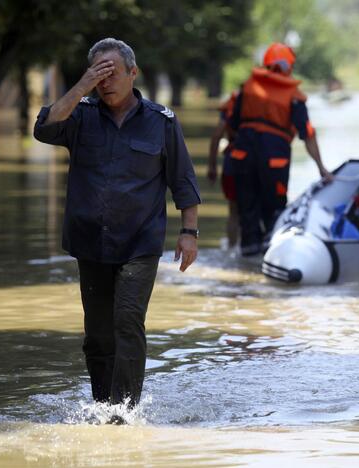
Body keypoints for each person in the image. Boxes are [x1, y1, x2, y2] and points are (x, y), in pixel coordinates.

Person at [33, 38, 201, 411]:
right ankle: (102, 405)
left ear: (132, 73)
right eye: (99, 74)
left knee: (127, 323)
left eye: (112, 72)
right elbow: (44, 128)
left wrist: (189, 233)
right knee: (97, 336)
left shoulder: (161, 122)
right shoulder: (80, 115)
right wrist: (81, 86)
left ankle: (124, 411)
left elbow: (183, 180)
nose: (106, 81)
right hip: (90, 242)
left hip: (140, 243)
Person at [226, 43, 333, 256]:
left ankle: (244, 266)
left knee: (247, 211)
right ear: (289, 67)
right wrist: (322, 168)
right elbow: (308, 135)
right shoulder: (293, 95)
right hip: (274, 160)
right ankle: (273, 259)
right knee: (274, 211)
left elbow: (232, 124)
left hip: (243, 156)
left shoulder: (248, 87)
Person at [207, 91, 239, 248]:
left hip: (233, 162)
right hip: (259, 164)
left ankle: (233, 249)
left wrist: (212, 166)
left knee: (233, 212)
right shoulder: (265, 106)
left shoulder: (231, 106)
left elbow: (216, 136)